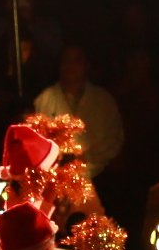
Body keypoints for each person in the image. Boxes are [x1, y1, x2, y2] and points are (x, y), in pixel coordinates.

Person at [31, 44, 125, 181]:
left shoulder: (103, 100)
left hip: (99, 176)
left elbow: (114, 139)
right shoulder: (44, 100)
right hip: (56, 179)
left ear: (87, 66)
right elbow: (37, 141)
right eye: (67, 60)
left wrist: (86, 157)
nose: (71, 66)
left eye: (77, 61)